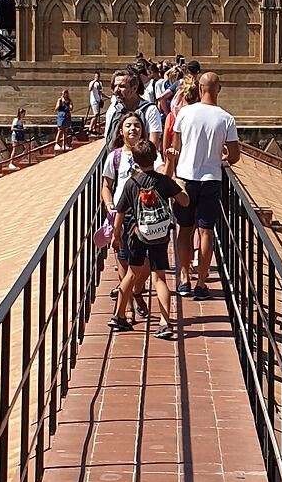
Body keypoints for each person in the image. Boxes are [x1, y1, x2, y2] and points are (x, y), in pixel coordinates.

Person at [165, 68, 240, 296]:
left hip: (186, 178)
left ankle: (184, 278)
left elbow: (175, 148)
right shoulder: (226, 118)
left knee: (185, 230)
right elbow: (234, 156)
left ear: (200, 89)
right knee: (206, 231)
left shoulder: (185, 113)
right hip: (211, 179)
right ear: (218, 90)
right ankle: (201, 284)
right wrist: (223, 156)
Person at [112, 135, 188, 340]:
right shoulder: (163, 181)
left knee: (131, 274)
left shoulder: (131, 183)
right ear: (155, 157)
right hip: (160, 236)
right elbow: (184, 202)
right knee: (159, 277)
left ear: (135, 161)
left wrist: (116, 235)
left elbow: (120, 211)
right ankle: (165, 321)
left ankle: (118, 315)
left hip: (137, 234)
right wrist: (179, 185)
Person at [101, 111, 147, 325]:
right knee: (122, 259)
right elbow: (106, 186)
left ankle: (136, 291)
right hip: (122, 213)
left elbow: (161, 173)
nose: (133, 129)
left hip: (144, 213)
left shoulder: (149, 154)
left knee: (144, 262)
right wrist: (109, 205)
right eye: (128, 125)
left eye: (137, 125)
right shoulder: (115, 156)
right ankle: (127, 306)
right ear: (121, 131)